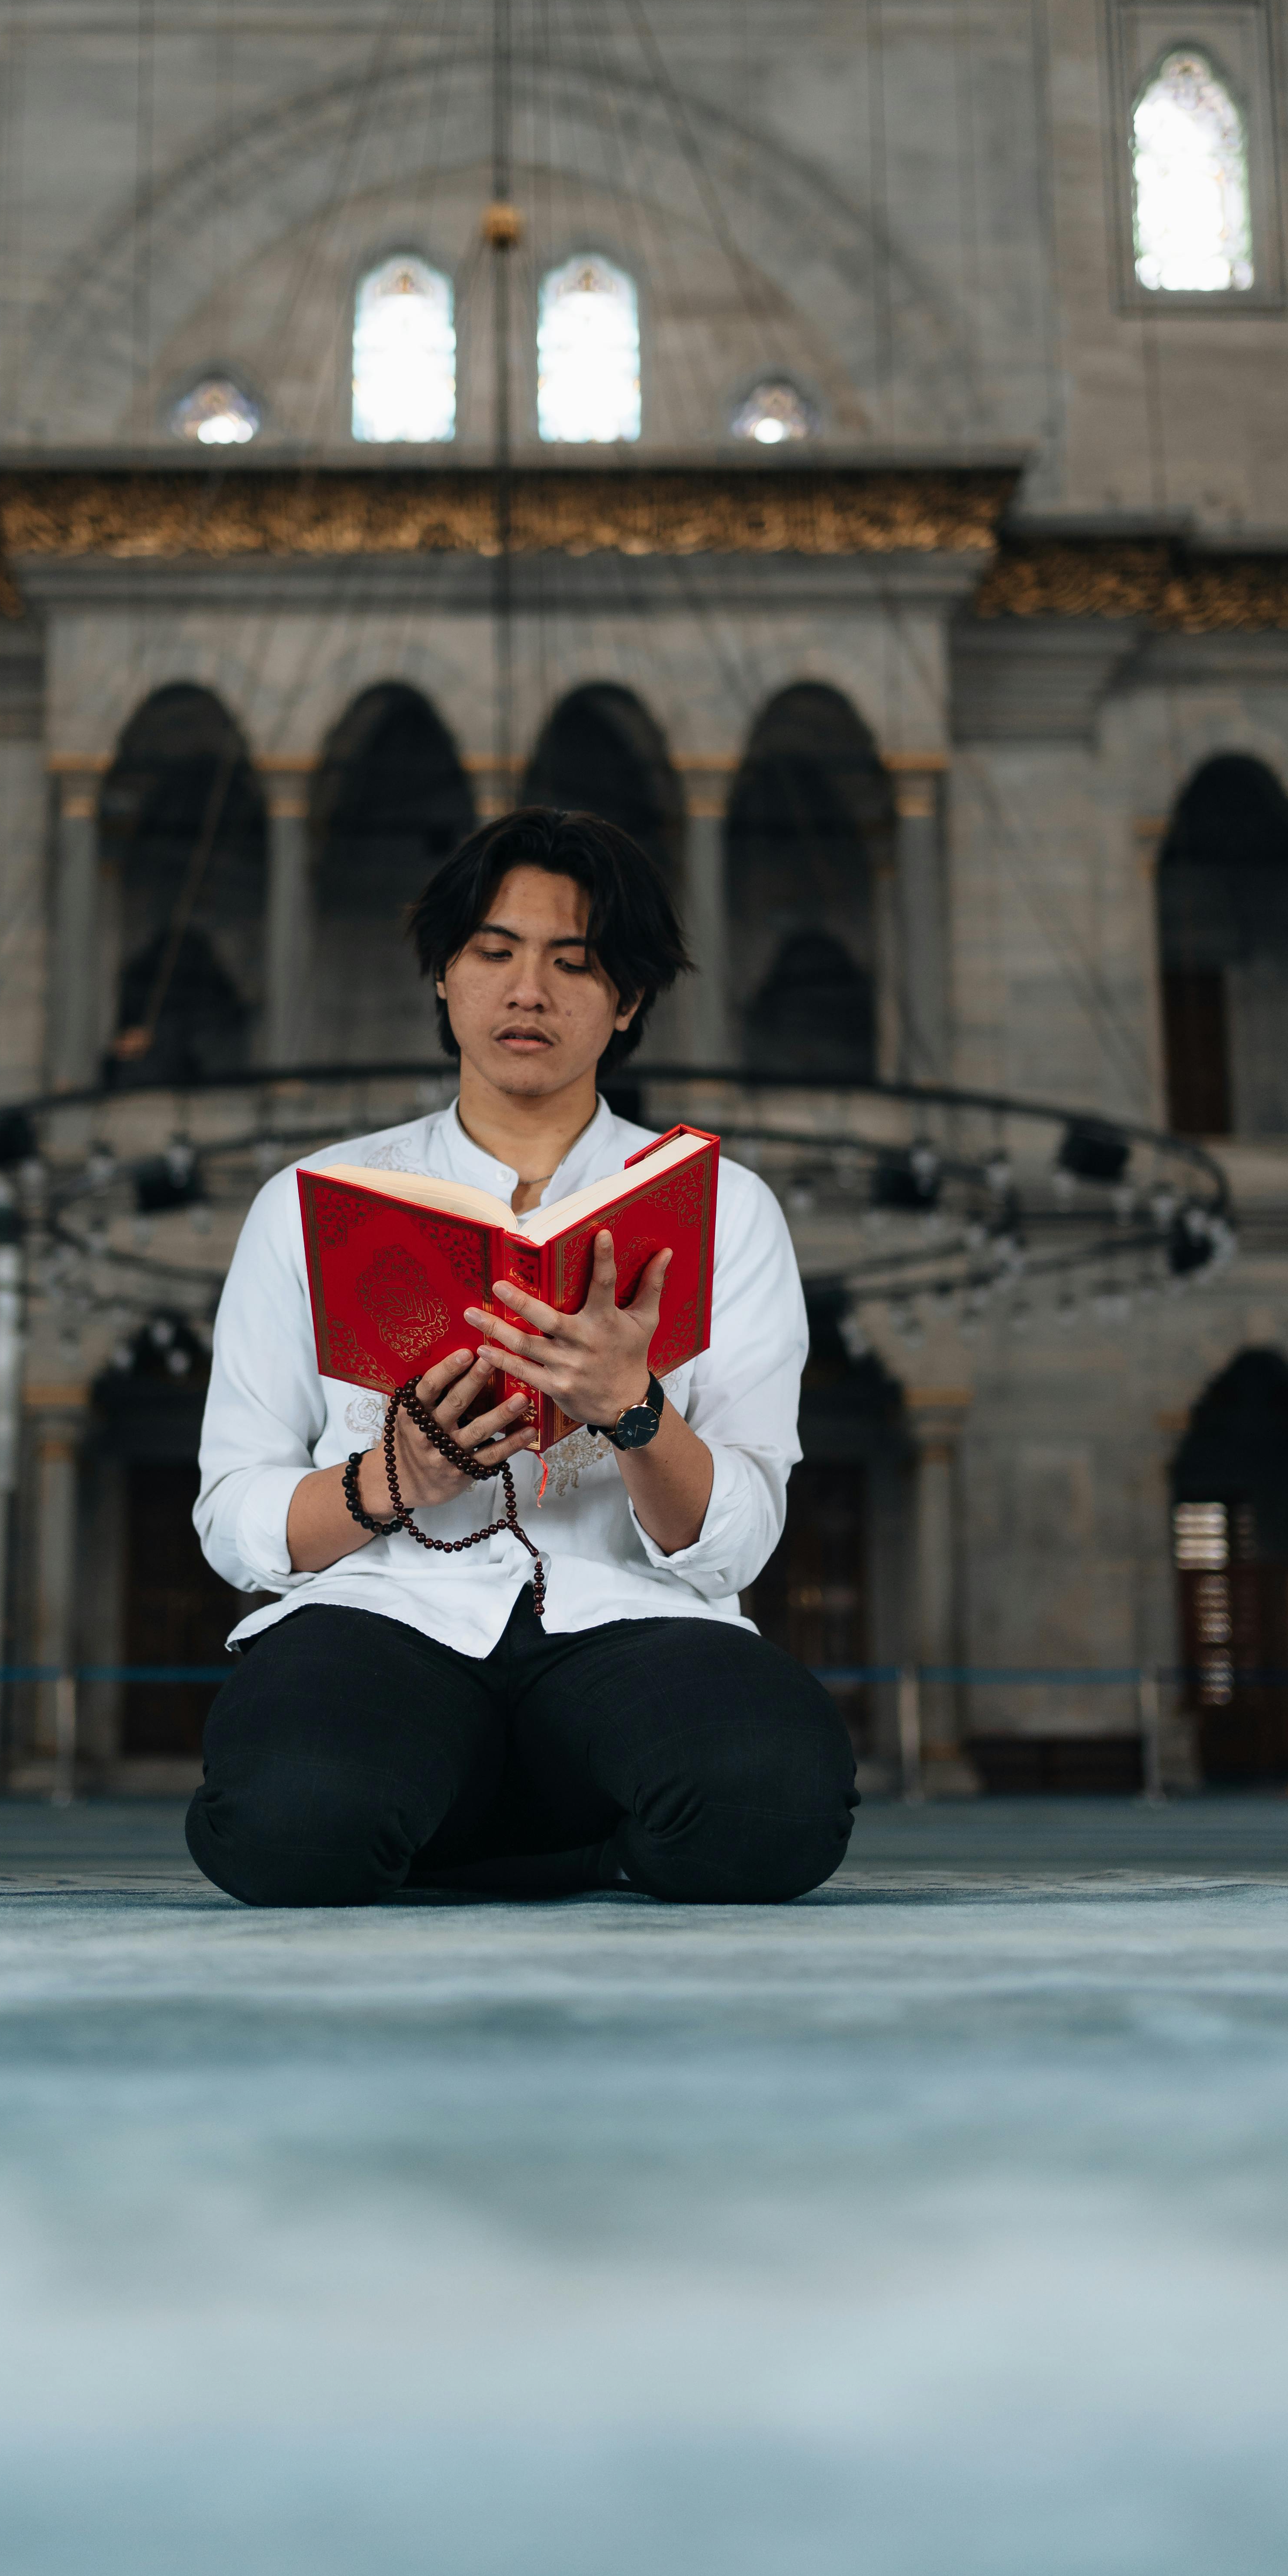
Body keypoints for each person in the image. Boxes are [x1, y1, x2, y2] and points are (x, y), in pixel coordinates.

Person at [188, 805, 858, 1906]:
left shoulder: (720, 1213)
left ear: (626, 1000)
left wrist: (631, 1410)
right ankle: (518, 1829)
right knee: (285, 1824)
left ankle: (502, 1836)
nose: (527, 991)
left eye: (574, 963)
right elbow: (234, 1516)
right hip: (384, 1614)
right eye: (491, 953)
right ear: (443, 978)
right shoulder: (312, 1206)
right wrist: (395, 1478)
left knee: (773, 1805)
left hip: (623, 1621)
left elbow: (735, 1541)